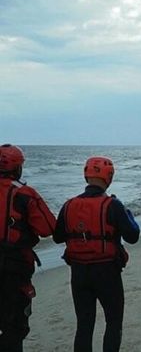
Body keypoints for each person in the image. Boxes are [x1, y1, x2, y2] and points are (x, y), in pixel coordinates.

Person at [53, 156, 140, 352]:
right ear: (108, 177)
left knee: (84, 324)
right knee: (113, 322)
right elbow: (133, 235)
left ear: (87, 176)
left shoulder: (69, 205)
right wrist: (127, 214)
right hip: (107, 271)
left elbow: (58, 237)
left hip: (79, 272)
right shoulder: (112, 205)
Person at [0, 144, 56, 352]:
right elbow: (48, 228)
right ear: (17, 167)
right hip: (15, 269)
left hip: (13, 267)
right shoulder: (24, 193)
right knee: (14, 327)